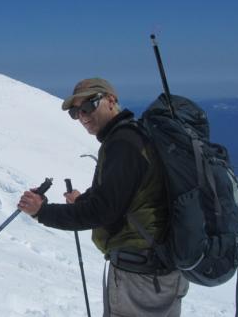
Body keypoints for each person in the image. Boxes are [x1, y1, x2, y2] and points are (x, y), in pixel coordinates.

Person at [17, 78, 189, 317]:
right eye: (76, 112)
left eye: (88, 106)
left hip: (140, 273)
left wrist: (41, 211)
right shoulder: (134, 136)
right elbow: (124, 195)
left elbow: (103, 212)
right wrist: (82, 201)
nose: (83, 117)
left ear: (111, 100)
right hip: (156, 269)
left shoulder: (124, 143)